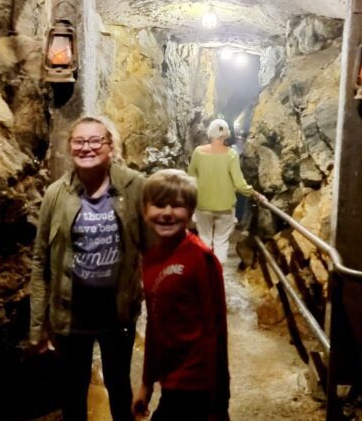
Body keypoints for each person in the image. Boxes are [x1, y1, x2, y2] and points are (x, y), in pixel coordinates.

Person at [30, 115, 148, 421]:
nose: (87, 148)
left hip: (118, 313)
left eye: (96, 140)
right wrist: (37, 327)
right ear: (70, 147)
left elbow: (153, 246)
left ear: (111, 147)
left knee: (120, 386)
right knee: (72, 392)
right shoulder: (56, 194)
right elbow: (41, 260)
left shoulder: (135, 187)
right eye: (79, 141)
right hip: (70, 316)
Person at [133, 169, 229, 421]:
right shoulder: (151, 260)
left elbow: (216, 331)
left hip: (196, 383)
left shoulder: (201, 259)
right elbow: (154, 325)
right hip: (169, 378)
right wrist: (146, 384)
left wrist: (218, 405)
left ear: (191, 211)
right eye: (158, 204)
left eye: (177, 205)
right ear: (145, 211)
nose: (167, 213)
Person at [187, 119, 255, 263]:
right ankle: (217, 275)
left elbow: (190, 178)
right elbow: (239, 183)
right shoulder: (231, 155)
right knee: (221, 243)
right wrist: (253, 192)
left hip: (203, 205)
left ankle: (204, 273)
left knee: (204, 240)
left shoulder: (198, 153)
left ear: (210, 134)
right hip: (225, 207)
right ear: (226, 136)